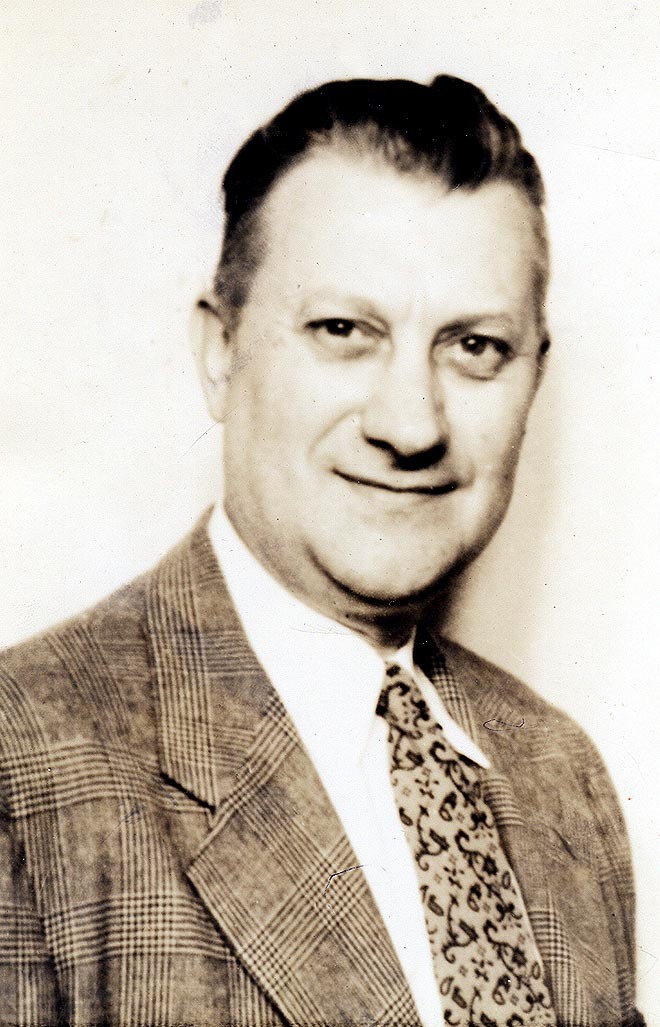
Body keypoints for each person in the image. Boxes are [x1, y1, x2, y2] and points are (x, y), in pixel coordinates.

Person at [0, 74, 643, 1027]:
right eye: (345, 331)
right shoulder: (20, 762)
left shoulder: (561, 775)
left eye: (475, 347)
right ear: (220, 350)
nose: (412, 424)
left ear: (533, 376)